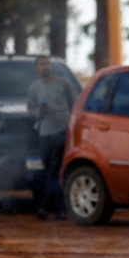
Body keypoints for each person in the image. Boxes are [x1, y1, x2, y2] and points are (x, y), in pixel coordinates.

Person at [27, 55, 77, 220]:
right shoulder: (35, 87)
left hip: (62, 132)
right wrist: (38, 112)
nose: (45, 67)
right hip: (45, 133)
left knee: (56, 170)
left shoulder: (64, 83)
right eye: (42, 64)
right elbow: (31, 110)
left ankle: (54, 208)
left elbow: (75, 105)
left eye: (47, 64)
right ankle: (53, 207)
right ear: (36, 69)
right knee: (49, 171)